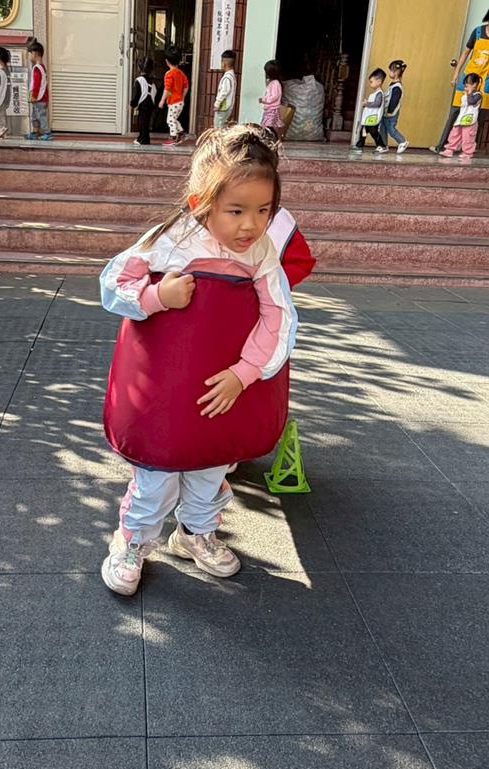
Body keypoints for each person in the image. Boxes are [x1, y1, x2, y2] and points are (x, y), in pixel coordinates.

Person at [98, 124, 298, 596]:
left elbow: (279, 316)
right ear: (200, 203)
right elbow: (113, 285)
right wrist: (156, 296)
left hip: (222, 386)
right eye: (236, 211)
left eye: (264, 211)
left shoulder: (262, 254)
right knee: (158, 473)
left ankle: (194, 534)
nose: (250, 225)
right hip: (169, 388)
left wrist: (244, 373)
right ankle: (132, 541)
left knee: (210, 466)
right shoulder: (172, 240)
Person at [430, 5, 489, 153]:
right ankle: (442, 145)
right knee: (456, 111)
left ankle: (467, 148)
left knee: (480, 115)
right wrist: (456, 73)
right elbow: (466, 53)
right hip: (469, 76)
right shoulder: (477, 31)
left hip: (487, 78)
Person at [440, 73, 482, 159]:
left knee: (468, 137)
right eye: (465, 86)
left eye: (467, 86)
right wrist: (468, 93)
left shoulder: (478, 95)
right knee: (455, 134)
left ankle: (467, 153)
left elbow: (471, 102)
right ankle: (450, 149)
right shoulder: (465, 95)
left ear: (474, 85)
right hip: (461, 119)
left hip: (470, 120)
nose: (465, 88)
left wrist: (470, 93)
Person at [159, 49, 190, 146]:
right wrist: (182, 97)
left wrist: (162, 100)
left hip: (173, 101)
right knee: (174, 118)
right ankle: (181, 133)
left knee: (170, 120)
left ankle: (173, 137)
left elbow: (167, 89)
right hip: (180, 101)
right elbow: (186, 86)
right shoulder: (181, 73)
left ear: (167, 61)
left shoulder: (169, 74)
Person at [354, 69, 387, 152]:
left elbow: (377, 104)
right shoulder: (374, 94)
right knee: (363, 131)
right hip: (369, 118)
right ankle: (359, 145)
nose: (370, 84)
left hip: (373, 118)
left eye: (371, 82)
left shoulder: (379, 94)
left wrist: (367, 103)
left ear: (379, 82)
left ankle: (381, 146)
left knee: (374, 132)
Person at [380, 60, 408, 154]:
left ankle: (402, 141)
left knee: (391, 129)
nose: (389, 73)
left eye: (390, 71)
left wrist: (390, 111)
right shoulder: (393, 85)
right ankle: (383, 145)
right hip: (386, 112)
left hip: (391, 113)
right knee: (383, 128)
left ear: (396, 72)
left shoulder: (397, 87)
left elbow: (394, 101)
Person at [26, 38, 51, 141]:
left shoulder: (37, 68)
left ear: (34, 53)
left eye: (29, 54)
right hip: (42, 97)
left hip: (39, 98)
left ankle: (46, 132)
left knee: (41, 115)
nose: (29, 56)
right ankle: (36, 132)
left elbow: (37, 84)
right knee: (36, 115)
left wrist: (34, 96)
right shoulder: (42, 67)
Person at [130, 57, 157, 146]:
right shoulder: (152, 82)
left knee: (141, 122)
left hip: (143, 104)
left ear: (139, 68)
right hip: (150, 104)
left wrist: (133, 104)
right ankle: (146, 139)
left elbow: (137, 94)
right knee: (146, 122)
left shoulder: (139, 80)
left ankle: (141, 139)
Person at [259, 59, 283, 138]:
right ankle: (273, 139)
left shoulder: (275, 83)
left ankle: (275, 139)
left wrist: (264, 100)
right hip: (270, 109)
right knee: (268, 125)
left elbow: (274, 97)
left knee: (268, 126)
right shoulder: (273, 82)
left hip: (272, 109)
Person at [214, 50, 238, 129]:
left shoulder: (227, 77)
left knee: (218, 126)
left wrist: (217, 103)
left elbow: (224, 91)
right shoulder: (232, 76)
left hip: (223, 107)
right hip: (227, 106)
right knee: (223, 125)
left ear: (224, 63)